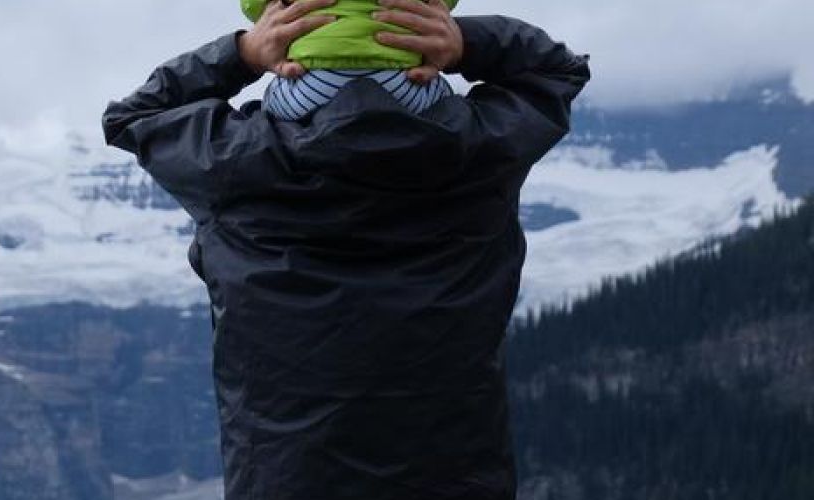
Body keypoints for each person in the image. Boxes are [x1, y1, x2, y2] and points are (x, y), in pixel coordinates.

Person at [101, 0, 590, 498]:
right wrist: (466, 43)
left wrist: (242, 55)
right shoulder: (480, 152)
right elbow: (556, 70)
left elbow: (131, 118)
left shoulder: (232, 162)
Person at [241, 0, 461, 120]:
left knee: (272, 101)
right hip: (403, 82)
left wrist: (245, 52)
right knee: (442, 93)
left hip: (310, 85)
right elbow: (443, 5)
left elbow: (252, 7)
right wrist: (464, 46)